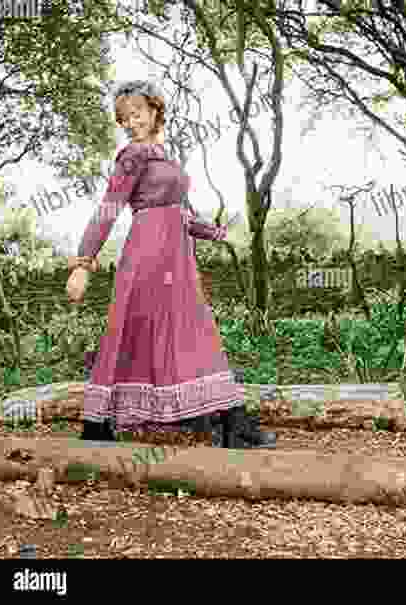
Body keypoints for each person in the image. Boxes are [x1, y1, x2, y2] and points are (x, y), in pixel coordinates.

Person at [67, 79, 276, 449]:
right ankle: (99, 424)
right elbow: (110, 208)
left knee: (186, 332)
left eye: (137, 113)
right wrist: (83, 262)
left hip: (177, 257)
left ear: (155, 111)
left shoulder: (163, 155)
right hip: (148, 255)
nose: (130, 122)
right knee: (143, 331)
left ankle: (227, 422)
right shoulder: (132, 156)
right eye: (123, 118)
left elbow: (181, 214)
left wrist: (217, 233)